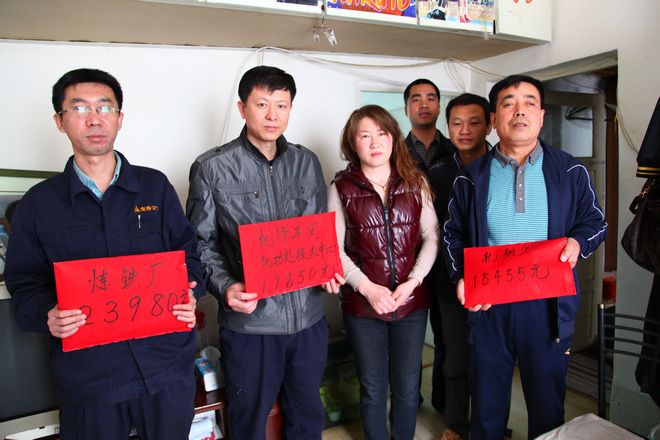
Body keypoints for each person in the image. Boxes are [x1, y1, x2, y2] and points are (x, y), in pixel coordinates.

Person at [4, 68, 204, 440]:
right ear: (60, 121)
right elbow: (24, 285)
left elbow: (189, 256)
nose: (94, 119)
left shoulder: (154, 187)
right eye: (80, 108)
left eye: (105, 107)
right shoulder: (38, 205)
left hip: (164, 368)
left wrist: (190, 291)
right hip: (90, 379)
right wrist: (48, 314)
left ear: (119, 119)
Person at [443, 75, 607, 439]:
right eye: (509, 103)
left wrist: (578, 242)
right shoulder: (471, 178)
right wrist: (461, 277)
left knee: (548, 409)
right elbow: (452, 234)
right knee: (486, 408)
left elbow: (595, 223)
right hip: (489, 306)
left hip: (547, 307)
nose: (520, 111)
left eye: (529, 103)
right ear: (494, 118)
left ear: (542, 115)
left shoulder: (570, 171)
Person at [186, 65, 332, 440]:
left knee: (308, 416)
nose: (272, 115)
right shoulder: (212, 167)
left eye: (281, 105)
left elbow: (319, 233)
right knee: (250, 419)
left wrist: (328, 269)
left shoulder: (306, 161)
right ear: (242, 108)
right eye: (262, 104)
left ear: (290, 109)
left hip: (309, 319)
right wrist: (225, 287)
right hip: (252, 325)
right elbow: (200, 243)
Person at [329, 104, 439, 439]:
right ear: (353, 143)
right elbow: (332, 249)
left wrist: (413, 282)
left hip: (411, 303)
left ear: (393, 137)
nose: (375, 142)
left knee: (407, 387)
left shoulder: (415, 181)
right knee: (373, 387)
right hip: (363, 307)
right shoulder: (341, 187)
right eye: (364, 135)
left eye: (381, 133)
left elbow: (432, 236)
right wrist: (368, 288)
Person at [432, 93, 492, 440]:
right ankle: (456, 424)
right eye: (456, 123)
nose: (465, 130)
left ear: (489, 125)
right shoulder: (437, 173)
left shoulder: (503, 168)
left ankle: (490, 422)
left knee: (492, 358)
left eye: (473, 122)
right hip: (449, 281)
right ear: (448, 126)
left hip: (496, 280)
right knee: (454, 358)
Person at [404, 78, 454, 413]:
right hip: (408, 258)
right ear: (406, 107)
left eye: (431, 98)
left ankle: (444, 402)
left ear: (439, 106)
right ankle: (410, 402)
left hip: (449, 256)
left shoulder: (457, 148)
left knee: (448, 337)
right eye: (416, 98)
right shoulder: (393, 151)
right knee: (409, 339)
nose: (424, 104)